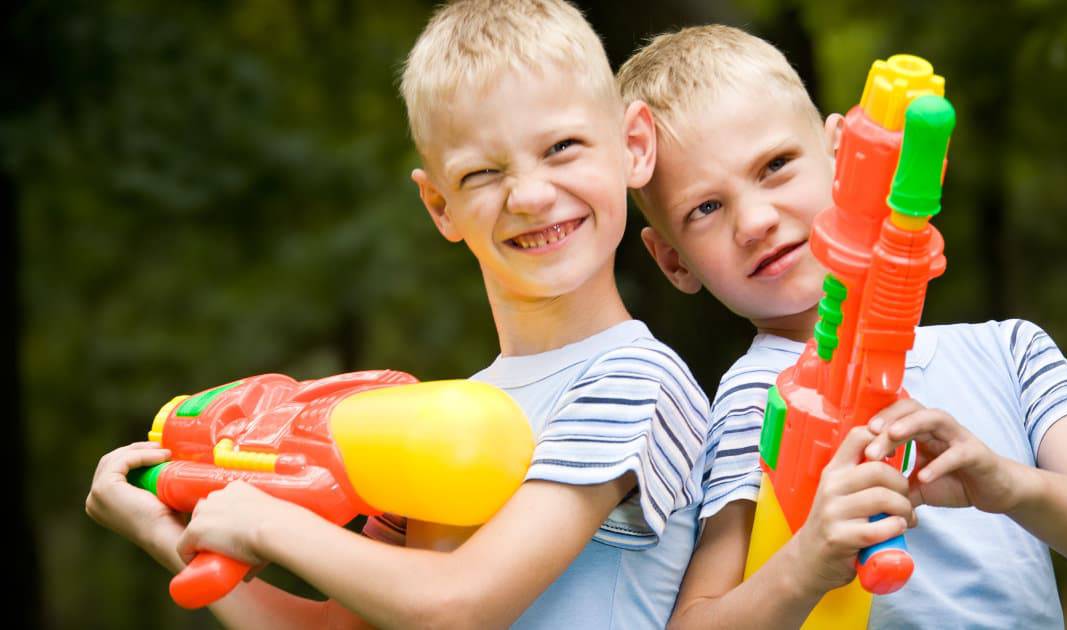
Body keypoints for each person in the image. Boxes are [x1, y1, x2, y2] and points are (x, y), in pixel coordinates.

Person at [85, 2, 710, 627]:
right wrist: (162, 529)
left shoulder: (637, 381)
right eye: (484, 172)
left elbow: (459, 607)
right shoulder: (447, 416)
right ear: (439, 205)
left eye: (562, 147)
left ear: (632, 145)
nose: (530, 195)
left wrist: (266, 524)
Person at [616, 24, 1067, 628]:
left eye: (775, 166)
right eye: (705, 208)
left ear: (844, 154)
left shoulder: (1009, 352)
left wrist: (1008, 485)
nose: (754, 220)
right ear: (673, 261)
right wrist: (807, 564)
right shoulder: (755, 398)